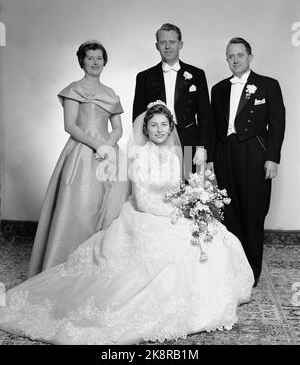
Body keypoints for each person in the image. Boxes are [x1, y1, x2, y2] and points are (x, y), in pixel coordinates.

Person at [0, 103, 254, 345]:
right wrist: (178, 214)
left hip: (172, 212)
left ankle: (207, 296)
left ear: (170, 127)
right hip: (145, 215)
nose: (159, 130)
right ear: (145, 129)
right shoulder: (140, 156)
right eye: (153, 125)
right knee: (166, 254)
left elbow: (177, 191)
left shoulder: (176, 155)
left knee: (215, 235)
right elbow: (143, 201)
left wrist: (191, 205)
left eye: (164, 125)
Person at [28, 40, 127, 277]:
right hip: (82, 154)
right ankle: (66, 268)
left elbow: (118, 128)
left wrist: (108, 147)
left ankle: (99, 269)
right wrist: (98, 146)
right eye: (90, 58)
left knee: (109, 210)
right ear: (82, 61)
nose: (95, 62)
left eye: (99, 58)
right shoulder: (73, 89)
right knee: (81, 208)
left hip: (109, 154)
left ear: (105, 62)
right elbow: (70, 126)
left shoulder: (111, 93)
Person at [211, 37, 285, 287]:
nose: (235, 60)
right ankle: (233, 268)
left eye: (239, 55)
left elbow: (277, 125)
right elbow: (212, 128)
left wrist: (272, 158)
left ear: (250, 57)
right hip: (225, 154)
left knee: (253, 212)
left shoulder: (268, 85)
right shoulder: (218, 89)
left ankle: (251, 273)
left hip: (254, 152)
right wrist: (211, 160)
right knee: (228, 212)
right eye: (230, 56)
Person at [133, 23, 213, 174]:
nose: (167, 46)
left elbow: (205, 116)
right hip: (156, 142)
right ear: (157, 46)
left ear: (180, 44)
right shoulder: (144, 77)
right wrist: (142, 148)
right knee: (160, 188)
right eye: (163, 42)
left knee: (190, 190)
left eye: (172, 42)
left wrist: (202, 148)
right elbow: (138, 117)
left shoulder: (197, 74)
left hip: (189, 142)